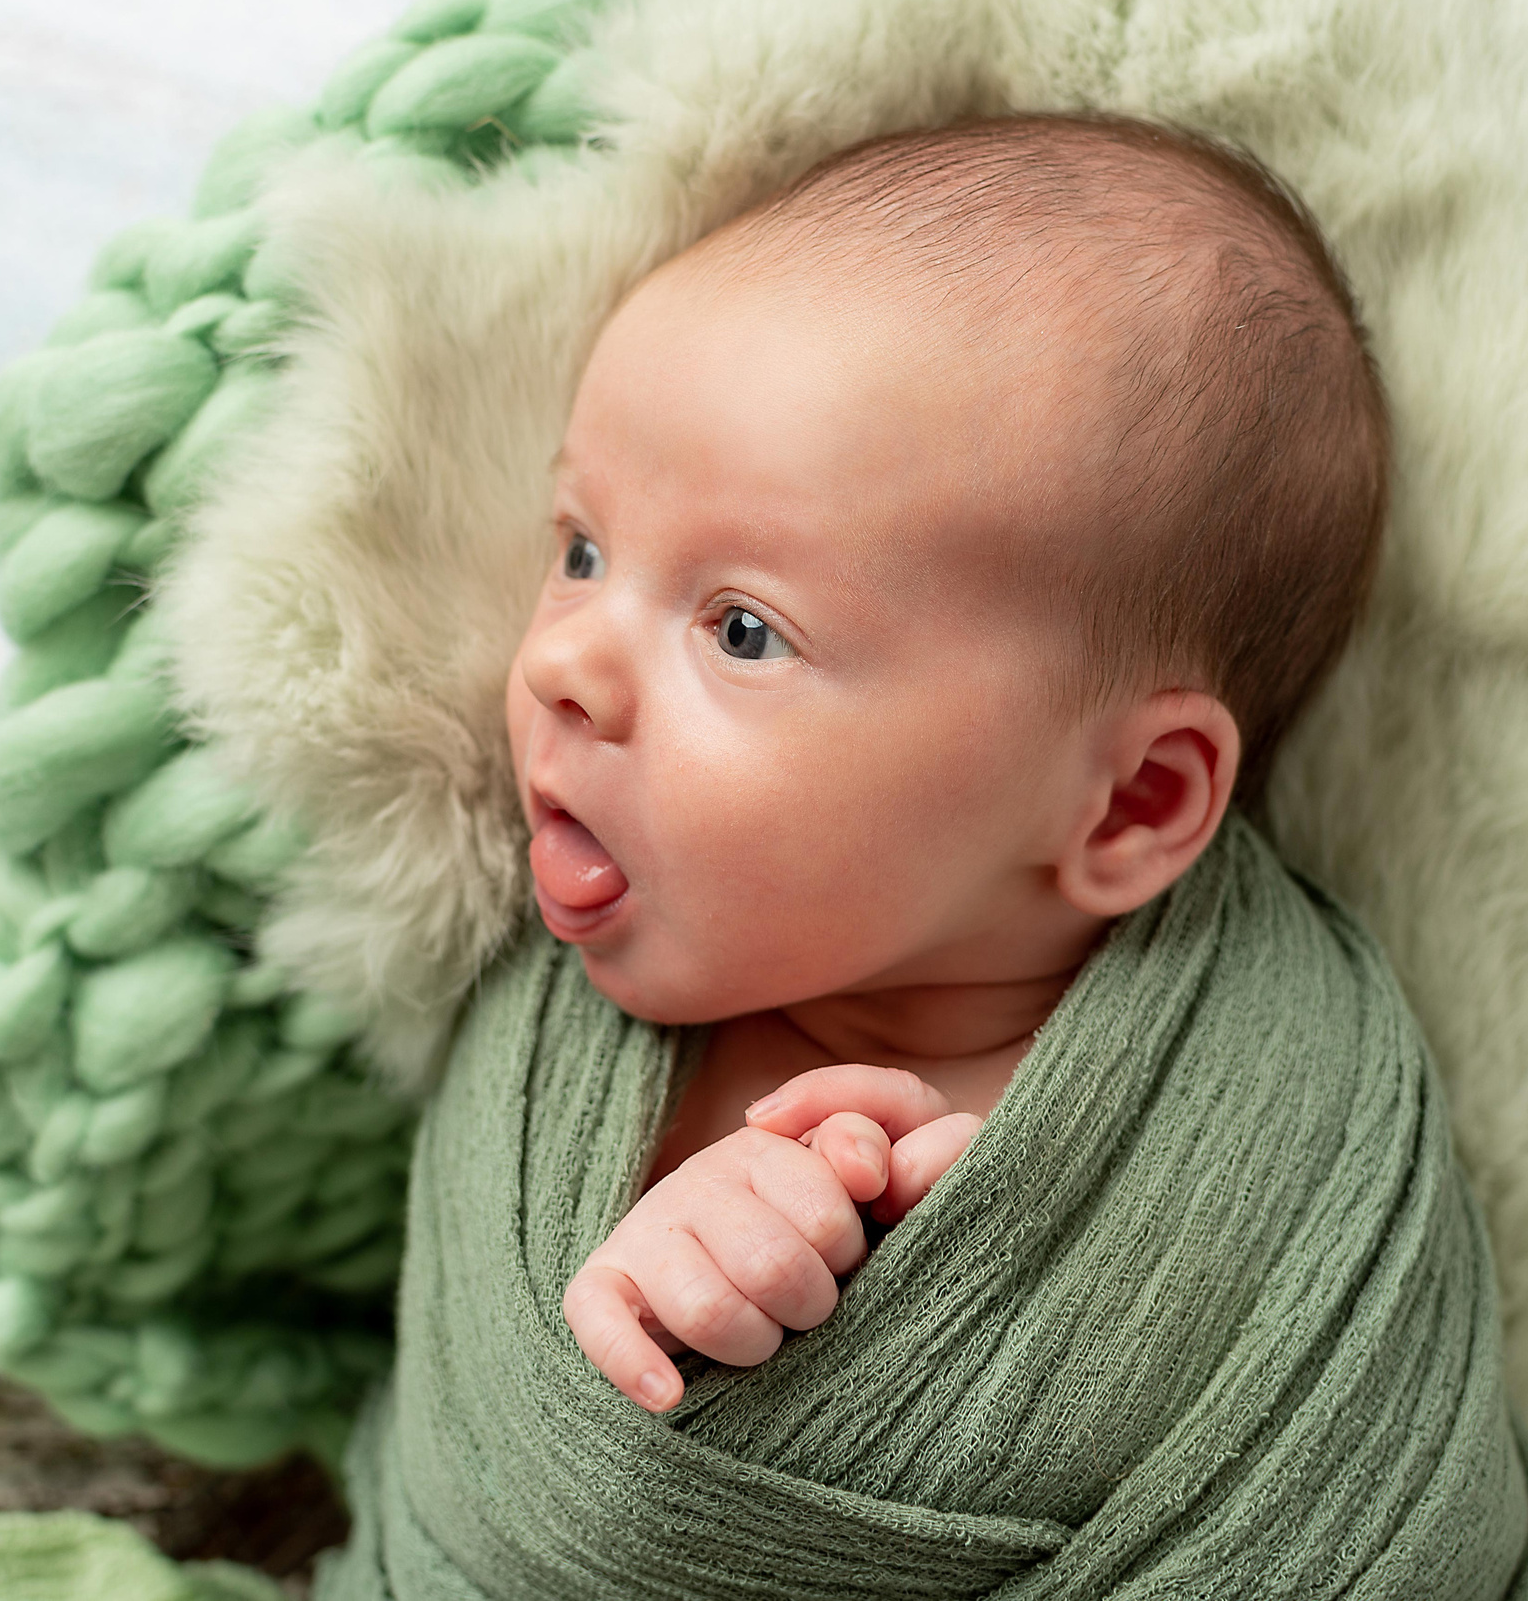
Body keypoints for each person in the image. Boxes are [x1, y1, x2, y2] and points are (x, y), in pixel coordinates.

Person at [509, 113, 1390, 1412]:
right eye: (582, 549)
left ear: (1133, 801)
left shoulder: (1244, 1148)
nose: (564, 665)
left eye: (744, 630)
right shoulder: (547, 1033)